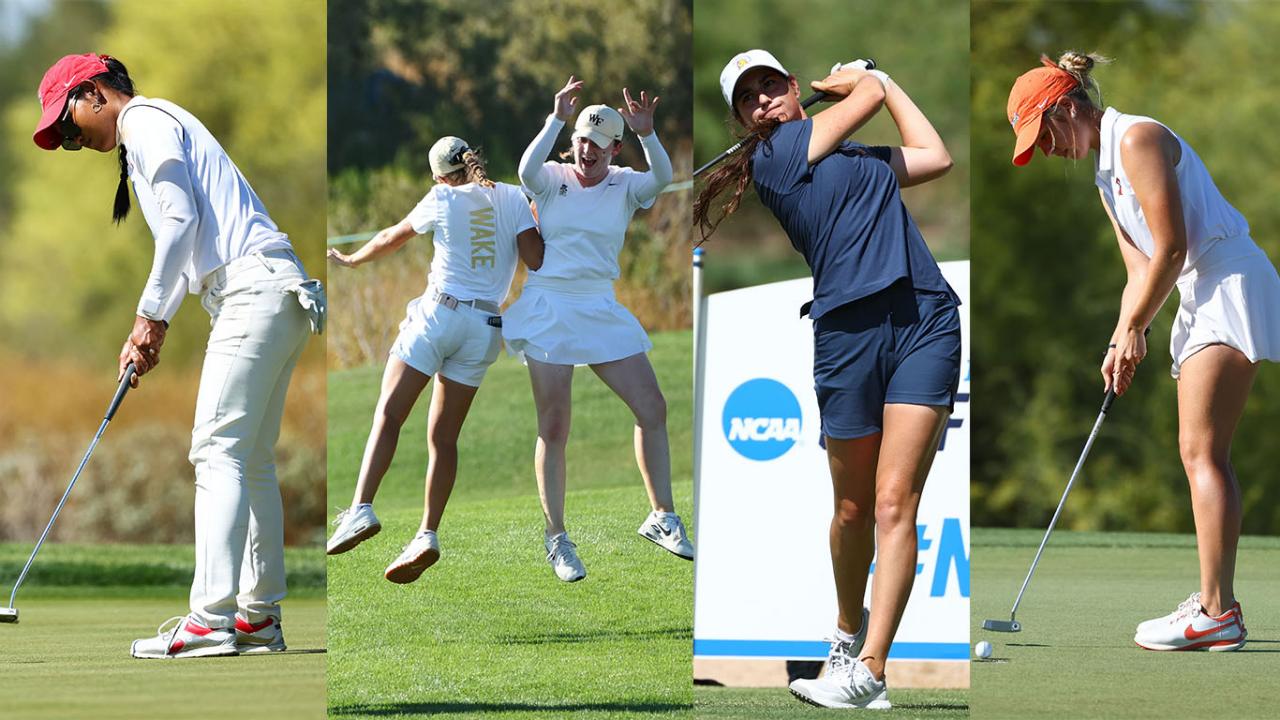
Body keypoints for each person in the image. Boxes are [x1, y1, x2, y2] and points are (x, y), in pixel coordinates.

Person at [32, 53, 324, 658]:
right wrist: (156, 321)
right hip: (277, 292)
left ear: (92, 93)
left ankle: (210, 620)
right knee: (249, 457)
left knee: (216, 450)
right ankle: (255, 618)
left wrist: (149, 319)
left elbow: (180, 223)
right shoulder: (151, 127)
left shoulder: (144, 121)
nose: (69, 141)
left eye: (65, 125)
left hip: (254, 290)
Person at [693, 50, 961, 709]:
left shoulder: (859, 158)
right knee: (852, 509)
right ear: (744, 121)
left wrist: (888, 83)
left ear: (791, 88)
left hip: (926, 317)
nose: (762, 101)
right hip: (847, 334)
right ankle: (848, 629)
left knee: (897, 503)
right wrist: (860, 80)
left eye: (770, 87)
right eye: (747, 99)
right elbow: (864, 95)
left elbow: (935, 154)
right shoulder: (775, 157)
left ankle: (869, 669)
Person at [1007, 51, 1280, 651]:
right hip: (1196, 290)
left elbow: (1175, 246)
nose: (1046, 150)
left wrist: (1137, 328)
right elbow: (1141, 267)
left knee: (1202, 451)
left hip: (1226, 280)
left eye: (1042, 133)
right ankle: (1216, 606)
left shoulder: (1137, 138)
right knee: (1201, 451)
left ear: (1066, 107)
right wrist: (1123, 334)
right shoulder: (1106, 175)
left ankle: (1216, 611)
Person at [325, 137, 543, 584]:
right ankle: (427, 533)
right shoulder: (511, 196)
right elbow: (536, 259)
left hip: (439, 317)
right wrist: (540, 216)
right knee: (443, 439)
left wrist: (350, 259)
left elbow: (392, 237)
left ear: (439, 176)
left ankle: (361, 508)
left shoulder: (441, 196)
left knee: (388, 415)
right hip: (485, 329)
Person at [505, 76, 694, 583]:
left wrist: (647, 133)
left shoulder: (627, 184)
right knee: (555, 425)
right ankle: (557, 538)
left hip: (599, 306)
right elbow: (524, 169)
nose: (589, 149)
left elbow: (662, 177)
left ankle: (663, 516)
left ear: (614, 147)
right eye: (583, 140)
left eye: (600, 142)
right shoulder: (550, 177)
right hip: (549, 306)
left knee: (652, 407)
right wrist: (555, 119)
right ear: (575, 142)